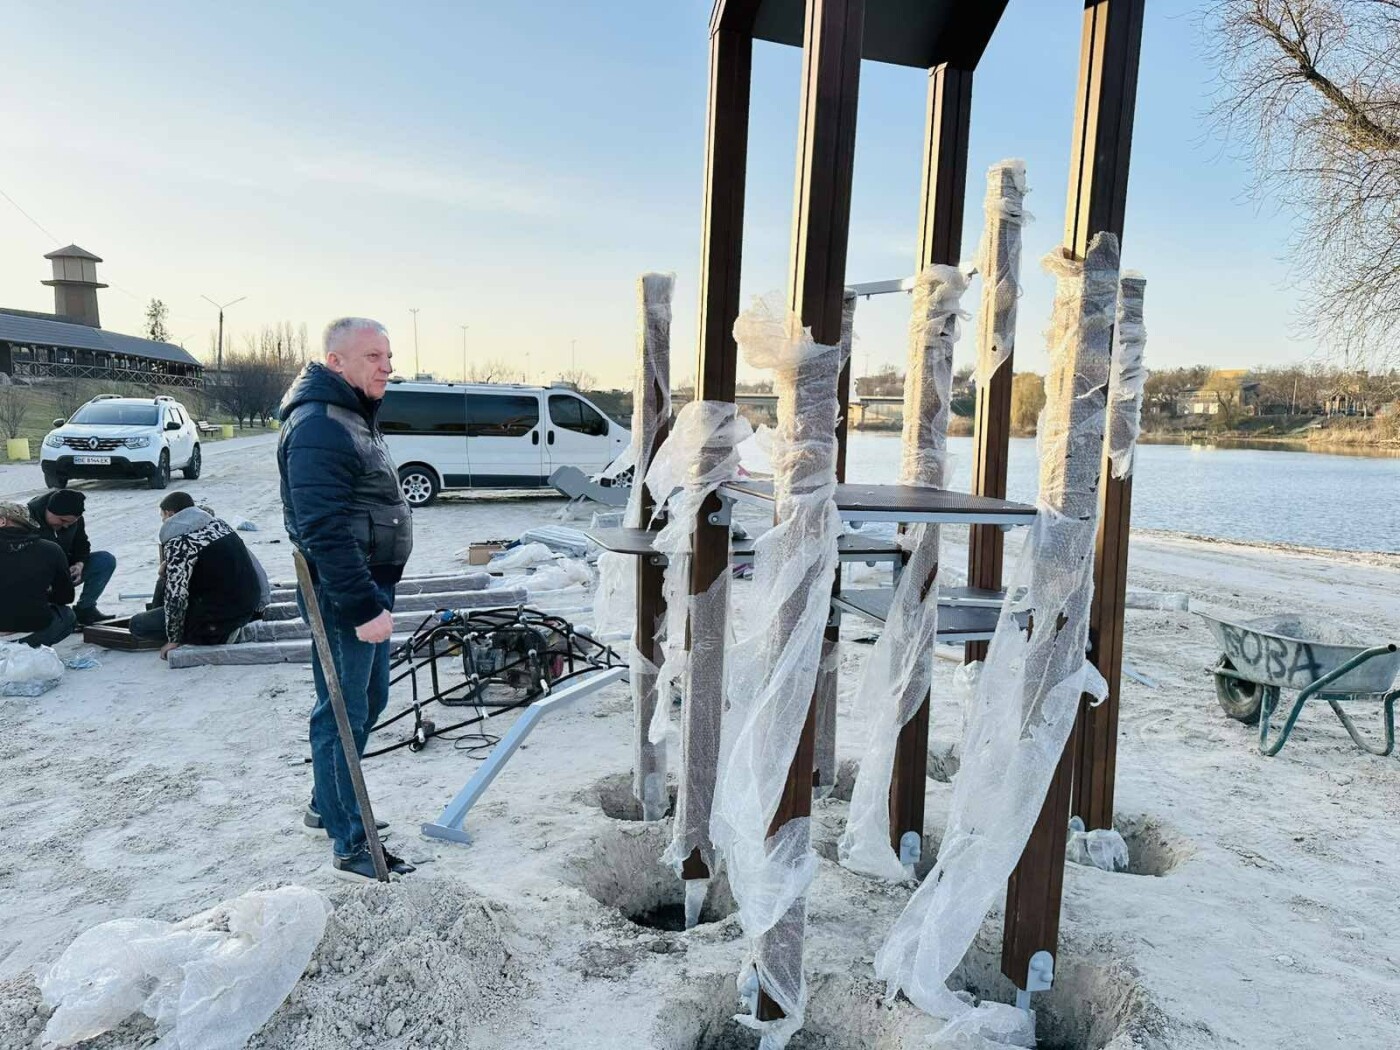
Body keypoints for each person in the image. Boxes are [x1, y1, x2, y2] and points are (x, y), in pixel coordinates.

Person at [278, 317, 416, 883]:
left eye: (388, 356)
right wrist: (362, 607)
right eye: (373, 357)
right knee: (343, 711)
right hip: (343, 591)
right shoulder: (320, 424)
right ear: (335, 361)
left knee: (368, 700)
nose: (387, 367)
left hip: (367, 583)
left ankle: (326, 802)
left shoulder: (350, 414)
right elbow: (322, 527)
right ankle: (351, 841)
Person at [129, 491, 267, 659]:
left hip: (220, 620)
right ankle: (163, 618)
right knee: (164, 579)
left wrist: (174, 639)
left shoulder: (179, 542)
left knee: (137, 624)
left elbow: (176, 596)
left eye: (163, 517)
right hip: (247, 606)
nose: (163, 522)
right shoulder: (219, 525)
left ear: (170, 514)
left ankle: (217, 635)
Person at [26, 489, 117, 625]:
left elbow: (82, 544)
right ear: (49, 510)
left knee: (105, 560)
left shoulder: (73, 519)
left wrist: (79, 564)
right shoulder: (25, 520)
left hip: (63, 571)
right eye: (62, 520)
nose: (66, 525)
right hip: (36, 578)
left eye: (70, 523)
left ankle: (85, 610)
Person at [0, 501, 77, 647]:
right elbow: (65, 597)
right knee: (68, 615)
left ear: (2, 521)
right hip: (30, 634)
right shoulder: (51, 549)